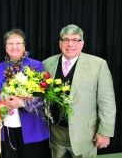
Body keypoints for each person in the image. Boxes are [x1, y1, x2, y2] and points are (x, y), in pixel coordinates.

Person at [42, 24, 116, 158]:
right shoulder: (47, 63)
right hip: (56, 134)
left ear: (82, 43)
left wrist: (105, 132)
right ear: (60, 43)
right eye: (66, 40)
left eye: (75, 40)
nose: (70, 44)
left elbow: (107, 103)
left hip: (85, 136)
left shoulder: (98, 65)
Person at [0, 28, 50, 158]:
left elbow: (45, 99)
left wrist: (22, 103)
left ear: (24, 46)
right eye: (10, 43)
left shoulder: (36, 66)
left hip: (31, 128)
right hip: (6, 127)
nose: (14, 47)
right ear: (5, 47)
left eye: (18, 43)